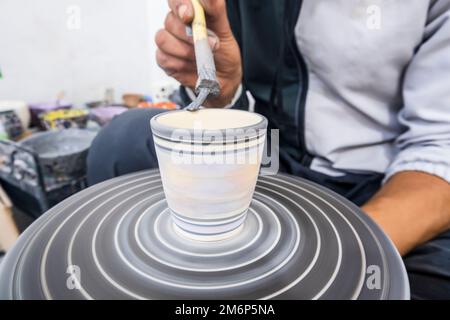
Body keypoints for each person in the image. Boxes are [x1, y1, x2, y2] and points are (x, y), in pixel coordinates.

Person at [87, 0, 450, 299]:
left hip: (382, 183)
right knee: (123, 144)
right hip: (267, 159)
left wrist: (332, 261)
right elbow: (231, 114)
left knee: (410, 285)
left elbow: (440, 149)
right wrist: (222, 93)